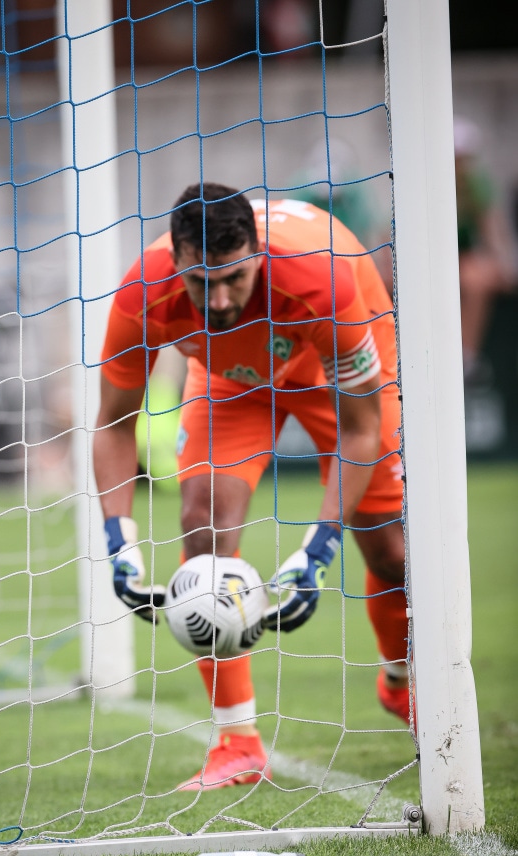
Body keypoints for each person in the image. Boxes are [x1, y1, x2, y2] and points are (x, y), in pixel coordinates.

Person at [93, 183, 409, 791]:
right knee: (202, 519)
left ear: (257, 254)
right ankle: (236, 742)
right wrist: (119, 542)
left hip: (336, 377)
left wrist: (317, 551)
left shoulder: (323, 280)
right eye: (199, 282)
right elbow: (112, 423)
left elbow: (360, 429)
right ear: (177, 261)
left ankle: (402, 683)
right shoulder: (144, 292)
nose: (216, 301)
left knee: (391, 550)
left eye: (233, 279)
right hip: (230, 384)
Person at [453, 117, 517, 383]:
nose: (463, 164)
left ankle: (467, 355)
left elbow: (490, 227)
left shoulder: (476, 185)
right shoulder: (430, 185)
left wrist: (504, 264)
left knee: (478, 279)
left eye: (467, 158)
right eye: (459, 157)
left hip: (462, 257)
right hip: (434, 259)